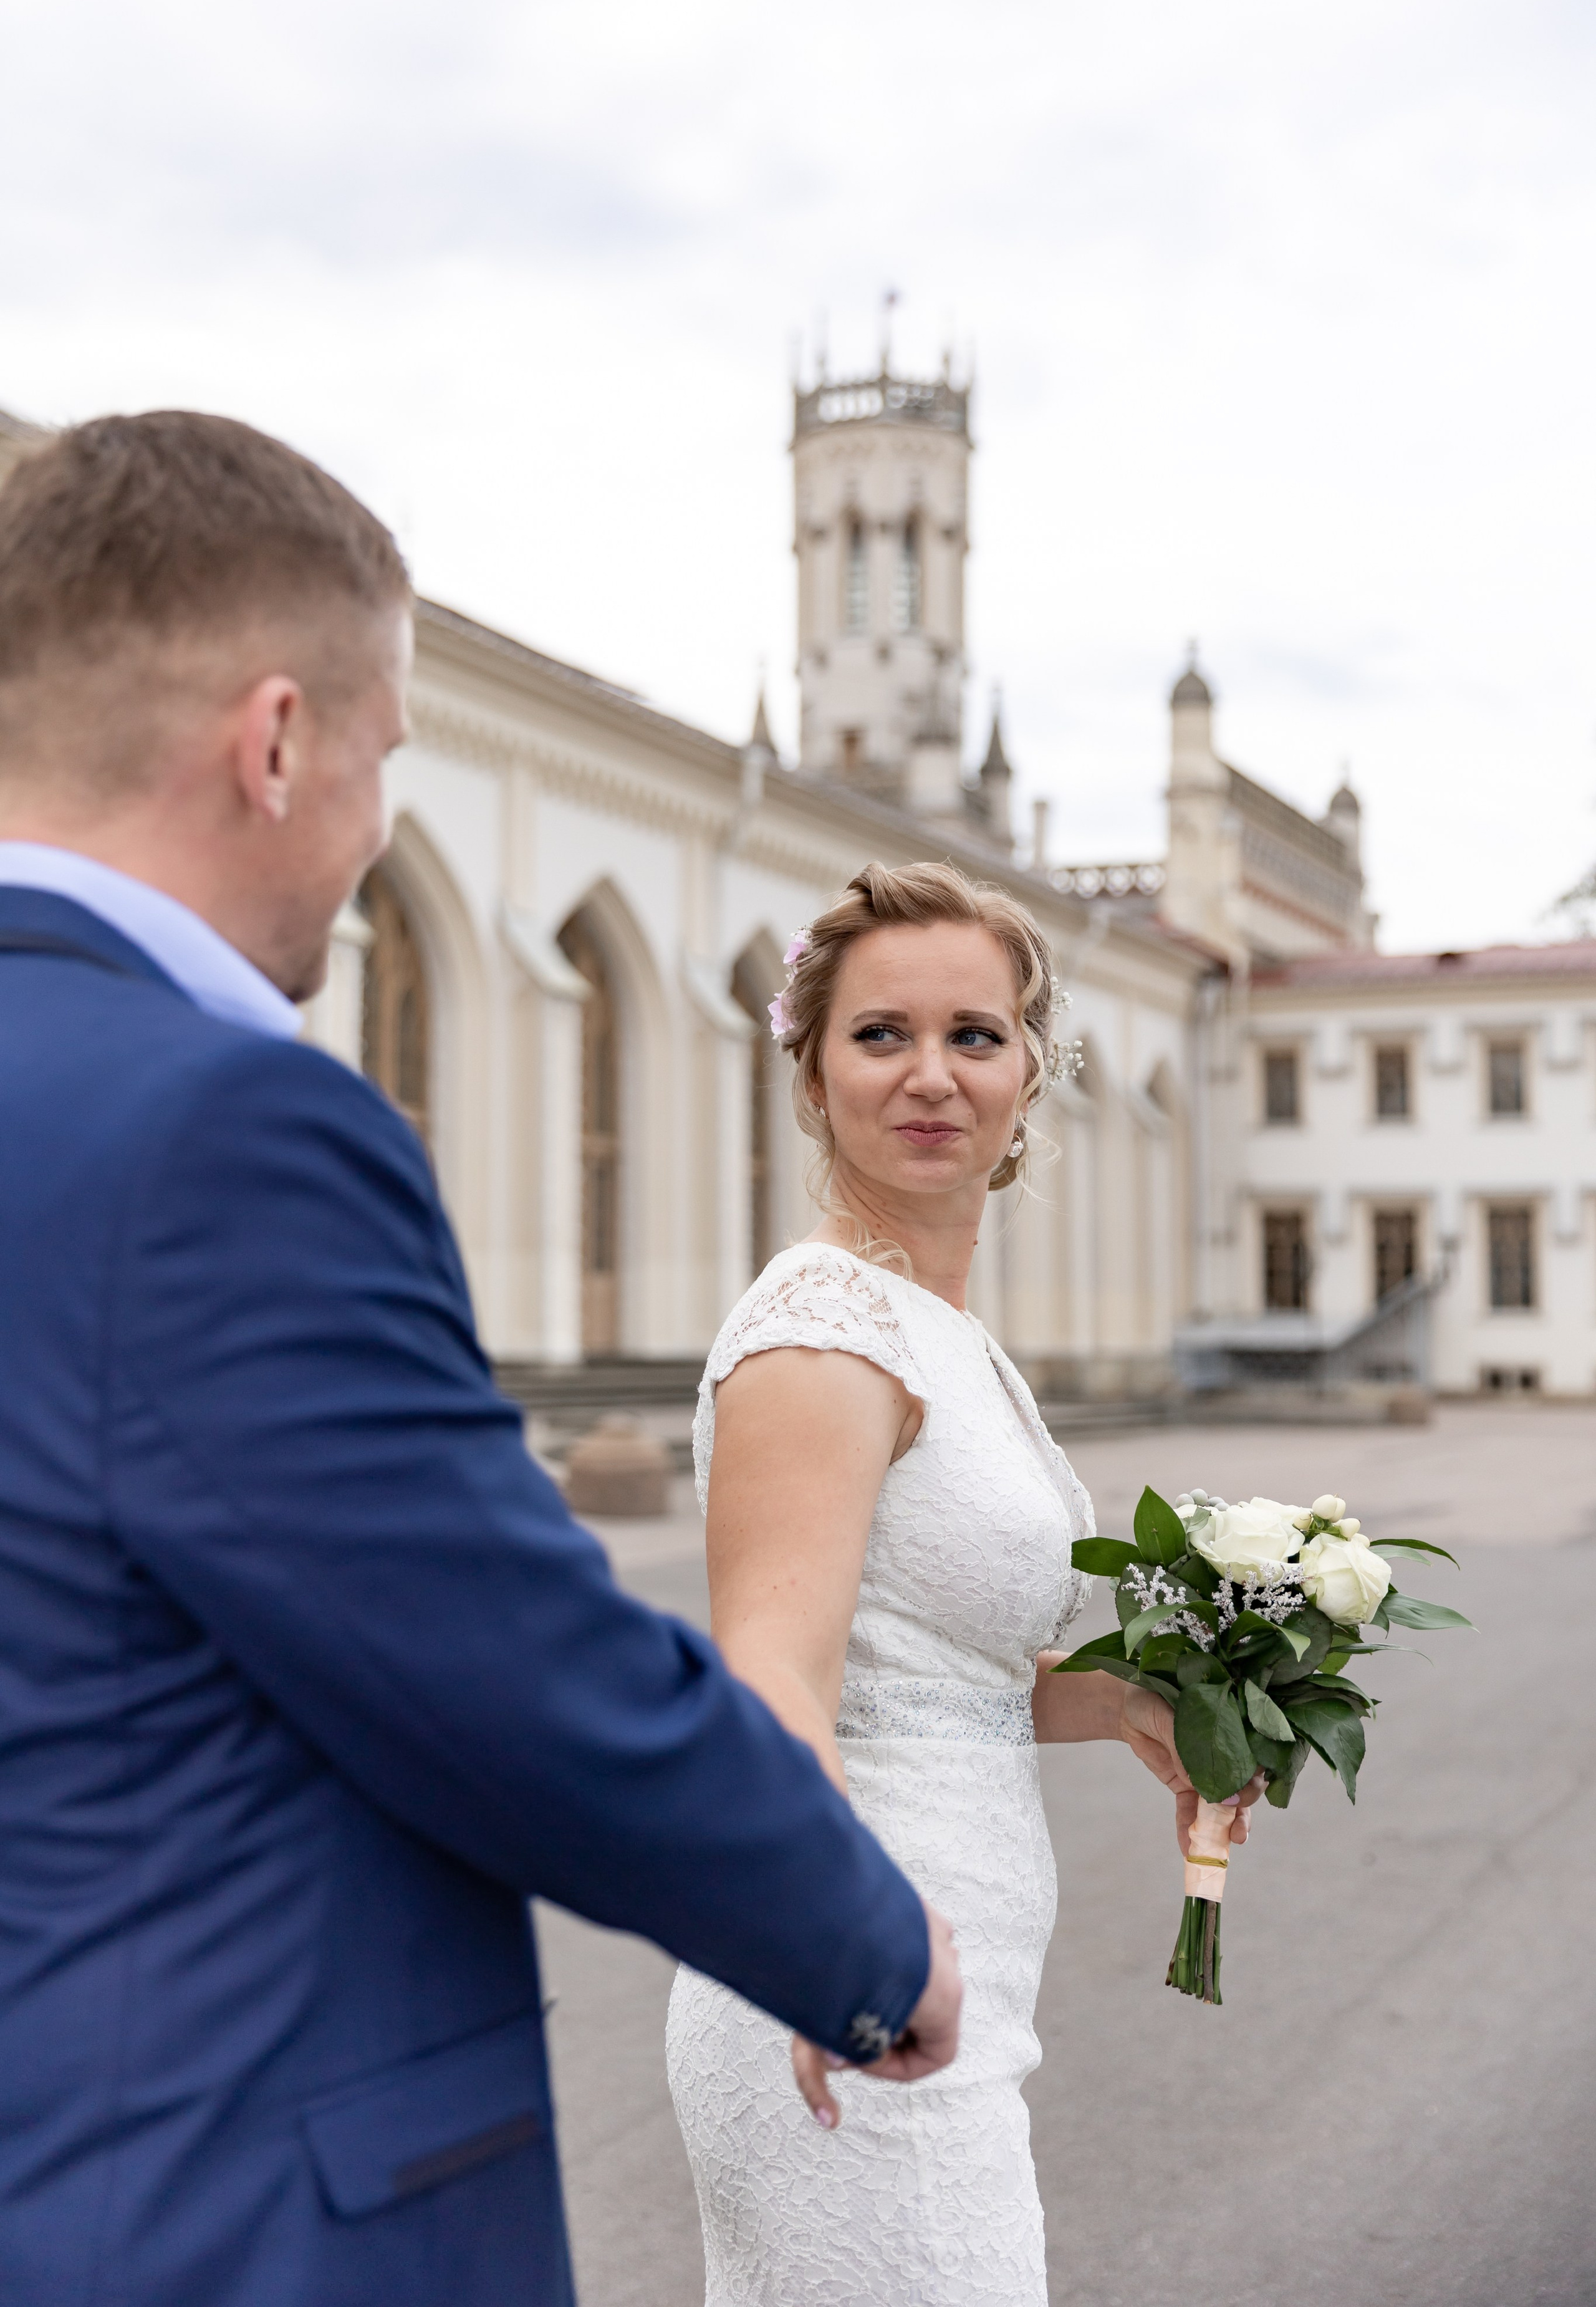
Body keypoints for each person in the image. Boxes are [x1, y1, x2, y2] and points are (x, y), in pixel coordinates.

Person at [0, 412, 961, 2307]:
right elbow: (501, 1657)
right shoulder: (224, 1135)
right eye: (381, 760)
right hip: (193, 2211)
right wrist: (865, 1934)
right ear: (275, 745)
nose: (369, 840)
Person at [666, 860, 1264, 2305]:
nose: (929, 1076)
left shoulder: (932, 1328)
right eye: (879, 1036)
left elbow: (927, 1664)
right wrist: (824, 1938)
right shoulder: (820, 1338)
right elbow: (778, 1672)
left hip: (951, 1985)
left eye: (973, 1036)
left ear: (1028, 1073)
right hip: (858, 1984)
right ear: (811, 1075)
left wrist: (1133, 1702)